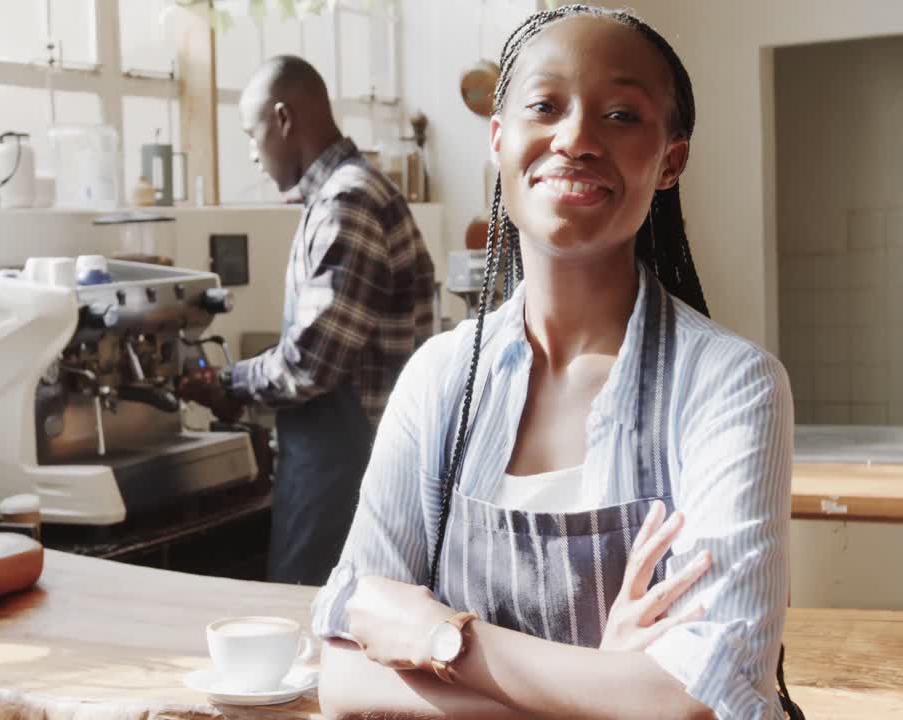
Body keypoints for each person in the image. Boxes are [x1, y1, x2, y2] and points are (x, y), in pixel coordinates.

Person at [311, 5, 804, 719]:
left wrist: (445, 639)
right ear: (499, 140)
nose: (574, 138)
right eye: (545, 106)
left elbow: (698, 696)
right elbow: (345, 675)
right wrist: (607, 687)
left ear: (670, 161)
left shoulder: (732, 385)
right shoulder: (439, 379)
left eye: (621, 115)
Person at [178, 55, 436, 586]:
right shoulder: (341, 196)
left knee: (313, 621)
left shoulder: (348, 202)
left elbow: (310, 363)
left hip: (346, 475)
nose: (253, 154)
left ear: (283, 118)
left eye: (252, 134)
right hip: (339, 465)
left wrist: (230, 383)